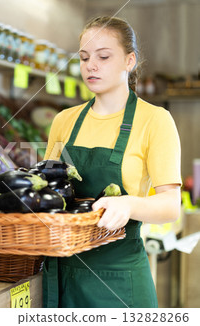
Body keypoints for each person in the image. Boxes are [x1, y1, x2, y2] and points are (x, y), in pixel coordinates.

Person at [42, 16, 181, 308]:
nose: (91, 65)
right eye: (84, 57)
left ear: (129, 61)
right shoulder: (64, 121)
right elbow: (48, 193)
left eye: (103, 56)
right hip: (63, 274)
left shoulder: (154, 120)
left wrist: (128, 204)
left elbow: (170, 205)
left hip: (121, 278)